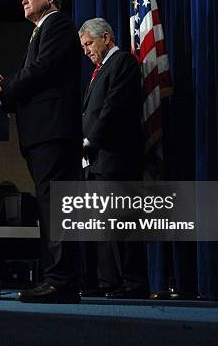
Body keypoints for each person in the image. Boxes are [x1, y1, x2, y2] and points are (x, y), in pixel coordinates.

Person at [0, 0, 82, 304]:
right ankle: (56, 278)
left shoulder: (58, 24)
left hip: (53, 130)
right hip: (41, 133)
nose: (23, 0)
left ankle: (61, 281)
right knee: (50, 204)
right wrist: (4, 96)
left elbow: (41, 70)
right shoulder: (39, 31)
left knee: (56, 204)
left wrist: (3, 88)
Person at [78, 18, 148, 298]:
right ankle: (110, 282)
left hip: (117, 158)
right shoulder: (99, 71)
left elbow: (113, 108)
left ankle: (134, 284)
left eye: (89, 44)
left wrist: (89, 140)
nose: (86, 51)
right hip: (97, 161)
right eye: (83, 47)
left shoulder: (123, 63)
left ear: (106, 38)